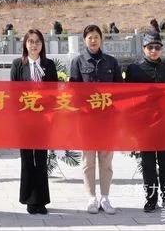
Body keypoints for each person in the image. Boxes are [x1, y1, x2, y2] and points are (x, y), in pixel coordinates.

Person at [125, 31, 165, 213]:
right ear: (144, 48)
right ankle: (151, 199)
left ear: (161, 49)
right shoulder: (134, 69)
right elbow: (127, 97)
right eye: (150, 47)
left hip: (164, 123)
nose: (153, 50)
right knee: (148, 165)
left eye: (157, 47)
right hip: (144, 124)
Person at [69, 25, 122, 215]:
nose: (93, 40)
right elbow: (73, 90)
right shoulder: (78, 62)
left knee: (106, 161)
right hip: (87, 120)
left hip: (107, 119)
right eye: (90, 37)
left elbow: (120, 90)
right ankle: (91, 197)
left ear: (101, 39)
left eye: (96, 37)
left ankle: (105, 197)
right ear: (85, 40)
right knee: (88, 160)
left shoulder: (111, 62)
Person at [10, 29, 59, 215]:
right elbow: (13, 94)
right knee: (27, 159)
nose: (34, 45)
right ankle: (29, 199)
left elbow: (54, 92)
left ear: (42, 45)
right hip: (24, 120)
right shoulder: (18, 64)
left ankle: (41, 200)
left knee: (40, 159)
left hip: (44, 120)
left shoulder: (49, 65)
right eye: (30, 41)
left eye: (37, 41)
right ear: (25, 44)